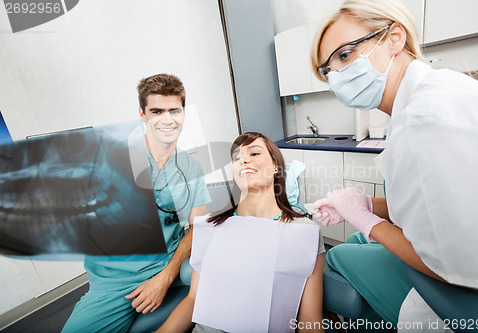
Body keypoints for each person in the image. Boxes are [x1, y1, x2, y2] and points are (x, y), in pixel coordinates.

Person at [310, 0, 478, 328]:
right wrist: (367, 204)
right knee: (356, 242)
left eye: (344, 54)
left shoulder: (423, 119)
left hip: (474, 294)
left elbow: (444, 266)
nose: (336, 76)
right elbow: (435, 204)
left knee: (340, 252)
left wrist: (365, 219)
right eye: (328, 70)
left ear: (394, 37)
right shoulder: (425, 98)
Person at [63, 74, 211, 332]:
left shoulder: (191, 168)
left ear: (183, 113)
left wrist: (165, 277)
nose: (167, 119)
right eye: (156, 111)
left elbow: (196, 228)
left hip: (167, 264)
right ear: (142, 114)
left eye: (174, 110)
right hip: (117, 278)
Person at [157, 132, 326, 333]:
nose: (243, 159)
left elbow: (310, 322)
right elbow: (194, 300)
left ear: (276, 167)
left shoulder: (304, 234)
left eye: (254, 153)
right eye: (236, 158)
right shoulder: (211, 226)